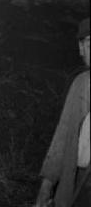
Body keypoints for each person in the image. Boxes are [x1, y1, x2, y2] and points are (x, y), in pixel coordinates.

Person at [34, 17, 90, 207]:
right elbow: (62, 136)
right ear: (81, 48)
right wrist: (46, 186)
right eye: (90, 44)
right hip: (76, 182)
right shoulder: (80, 84)